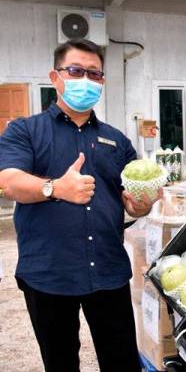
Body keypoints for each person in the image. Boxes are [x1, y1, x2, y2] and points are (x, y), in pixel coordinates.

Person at [0, 39, 158, 372]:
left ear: (102, 82)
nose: (85, 79)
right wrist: (55, 187)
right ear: (55, 77)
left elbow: (133, 201)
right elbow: (10, 182)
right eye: (75, 71)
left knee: (122, 362)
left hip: (108, 271)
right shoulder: (25, 131)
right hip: (49, 273)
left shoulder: (117, 139)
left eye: (94, 74)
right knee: (60, 363)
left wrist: (141, 204)